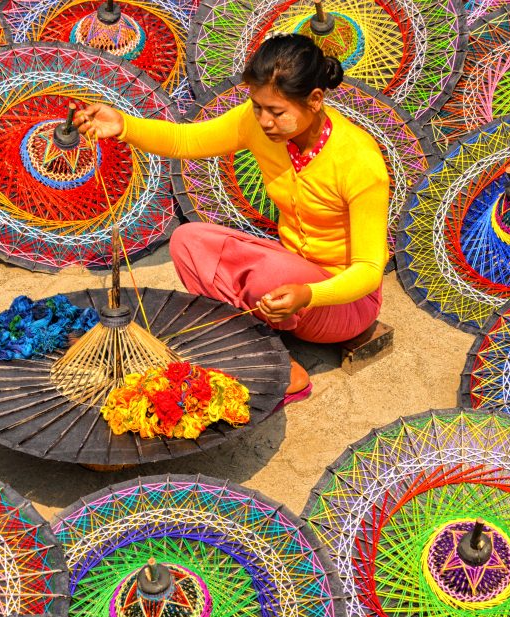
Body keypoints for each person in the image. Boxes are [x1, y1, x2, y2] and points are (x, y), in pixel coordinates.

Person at [76, 33, 389, 408]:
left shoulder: (359, 160)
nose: (264, 121)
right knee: (188, 240)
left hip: (345, 304)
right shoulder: (255, 124)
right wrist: (124, 125)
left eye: (277, 111)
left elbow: (370, 270)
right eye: (257, 106)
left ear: (315, 100)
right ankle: (264, 346)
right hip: (290, 276)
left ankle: (282, 373)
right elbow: (185, 141)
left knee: (268, 274)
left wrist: (310, 294)